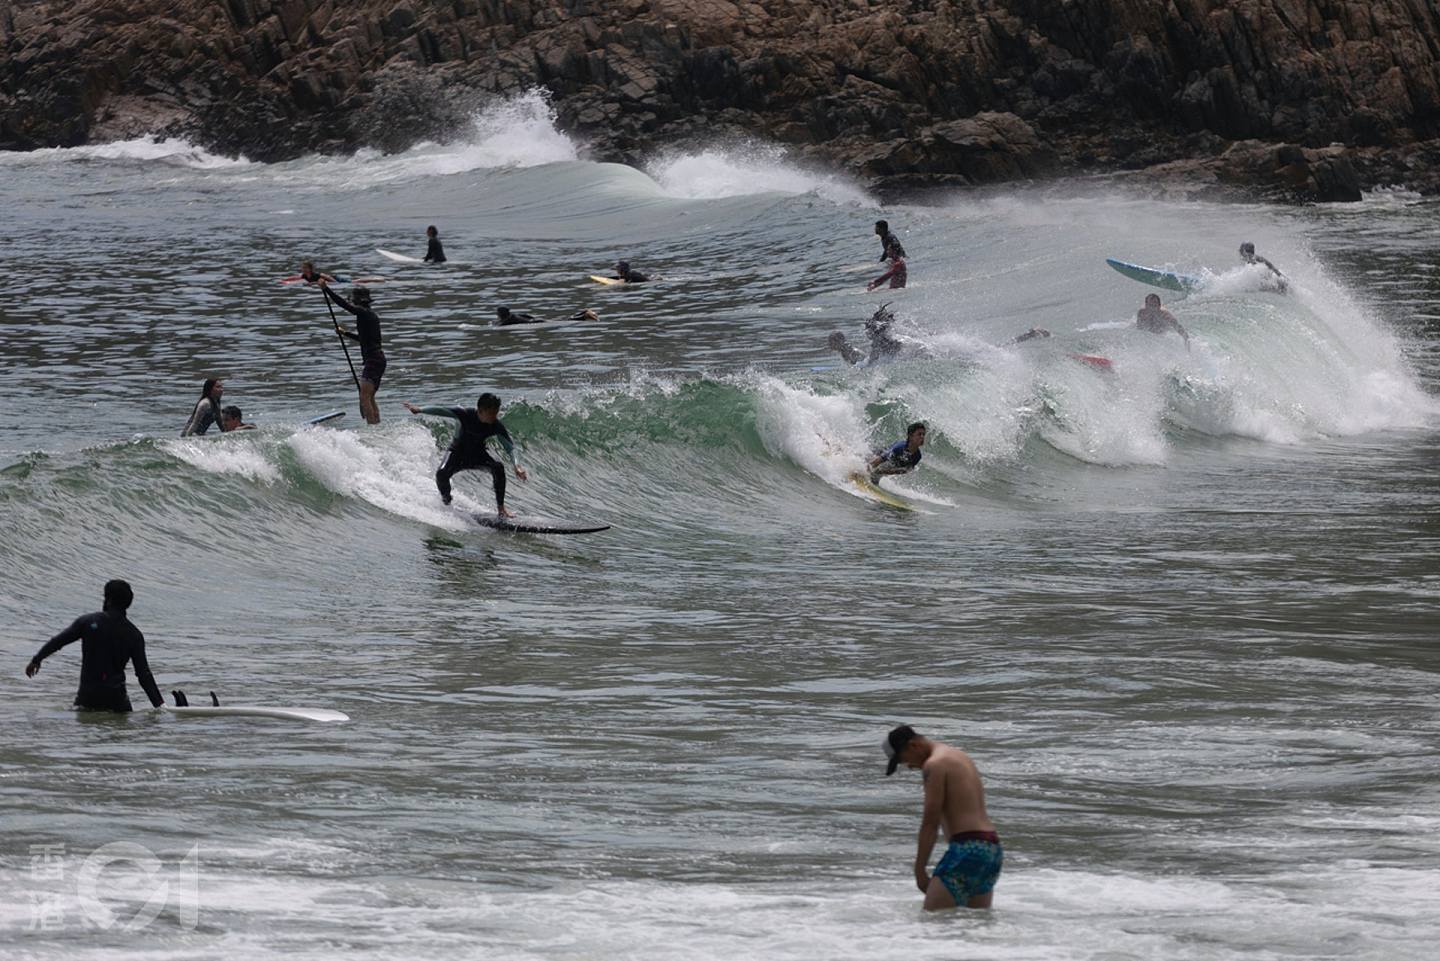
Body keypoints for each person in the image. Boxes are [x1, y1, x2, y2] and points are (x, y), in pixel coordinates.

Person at [883, 724, 1002, 911]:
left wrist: (920, 871)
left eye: (904, 761)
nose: (910, 767)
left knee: (932, 924)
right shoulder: (958, 756)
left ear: (914, 746)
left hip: (967, 849)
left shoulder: (934, 765)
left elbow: (930, 822)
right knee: (975, 927)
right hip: (991, 849)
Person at [24, 580, 164, 713]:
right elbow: (143, 674)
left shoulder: (88, 622)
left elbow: (58, 642)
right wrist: (160, 705)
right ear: (128, 604)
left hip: (88, 698)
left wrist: (37, 660)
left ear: (108, 599)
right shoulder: (134, 634)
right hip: (117, 701)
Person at [403, 393, 528, 517]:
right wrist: (419, 409)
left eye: (496, 413)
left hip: (478, 455)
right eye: (491, 413)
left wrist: (517, 465)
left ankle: (501, 509)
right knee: (441, 474)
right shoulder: (465, 414)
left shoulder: (496, 425)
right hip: (457, 453)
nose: (494, 417)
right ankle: (446, 502)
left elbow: (510, 447)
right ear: (480, 410)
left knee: (498, 467)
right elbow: (442, 410)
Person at [321, 280, 385, 424]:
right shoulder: (371, 316)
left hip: (373, 360)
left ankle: (372, 427)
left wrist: (327, 289)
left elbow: (344, 305)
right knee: (370, 396)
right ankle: (376, 425)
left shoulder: (362, 312)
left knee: (364, 396)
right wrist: (345, 333)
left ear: (358, 302)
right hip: (378, 359)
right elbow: (364, 339)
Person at [828, 305, 910, 366]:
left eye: (868, 331)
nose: (866, 334)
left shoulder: (886, 343)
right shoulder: (882, 342)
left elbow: (871, 364)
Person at [495, 306, 597, 326]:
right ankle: (583, 313)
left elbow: (499, 325)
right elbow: (527, 315)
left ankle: (584, 317)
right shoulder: (513, 315)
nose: (497, 315)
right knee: (562, 319)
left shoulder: (507, 320)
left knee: (562, 321)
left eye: (498, 313)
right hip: (537, 319)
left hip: (536, 322)